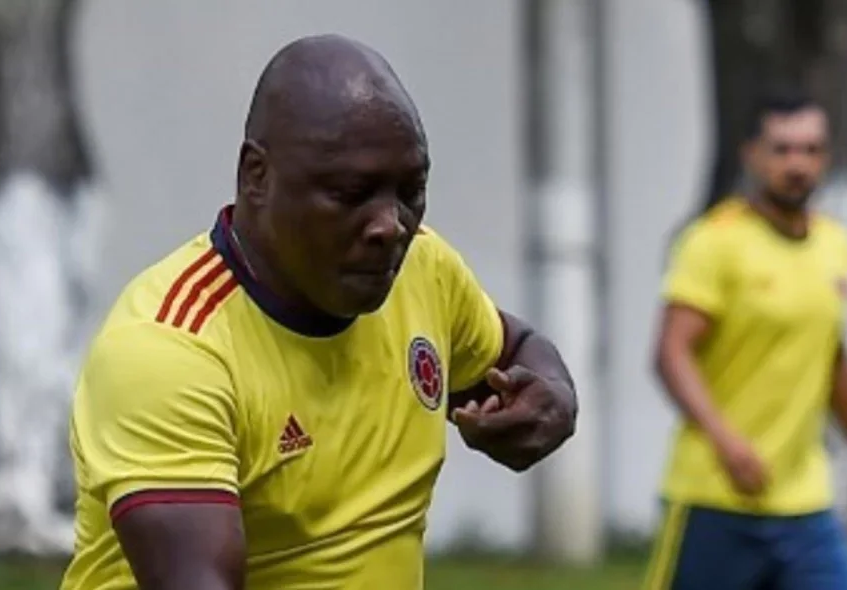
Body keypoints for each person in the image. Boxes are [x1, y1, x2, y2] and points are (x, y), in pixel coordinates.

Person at [60, 34, 577, 590]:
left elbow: (515, 349)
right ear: (256, 176)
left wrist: (552, 396)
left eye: (411, 189)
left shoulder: (424, 271)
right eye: (351, 192)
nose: (391, 225)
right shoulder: (169, 349)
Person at [642, 91, 847, 590]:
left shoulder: (835, 245)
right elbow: (671, 353)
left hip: (805, 501)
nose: (797, 164)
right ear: (752, 155)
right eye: (782, 149)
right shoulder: (714, 242)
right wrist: (726, 440)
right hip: (717, 494)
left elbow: (832, 359)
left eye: (810, 149)